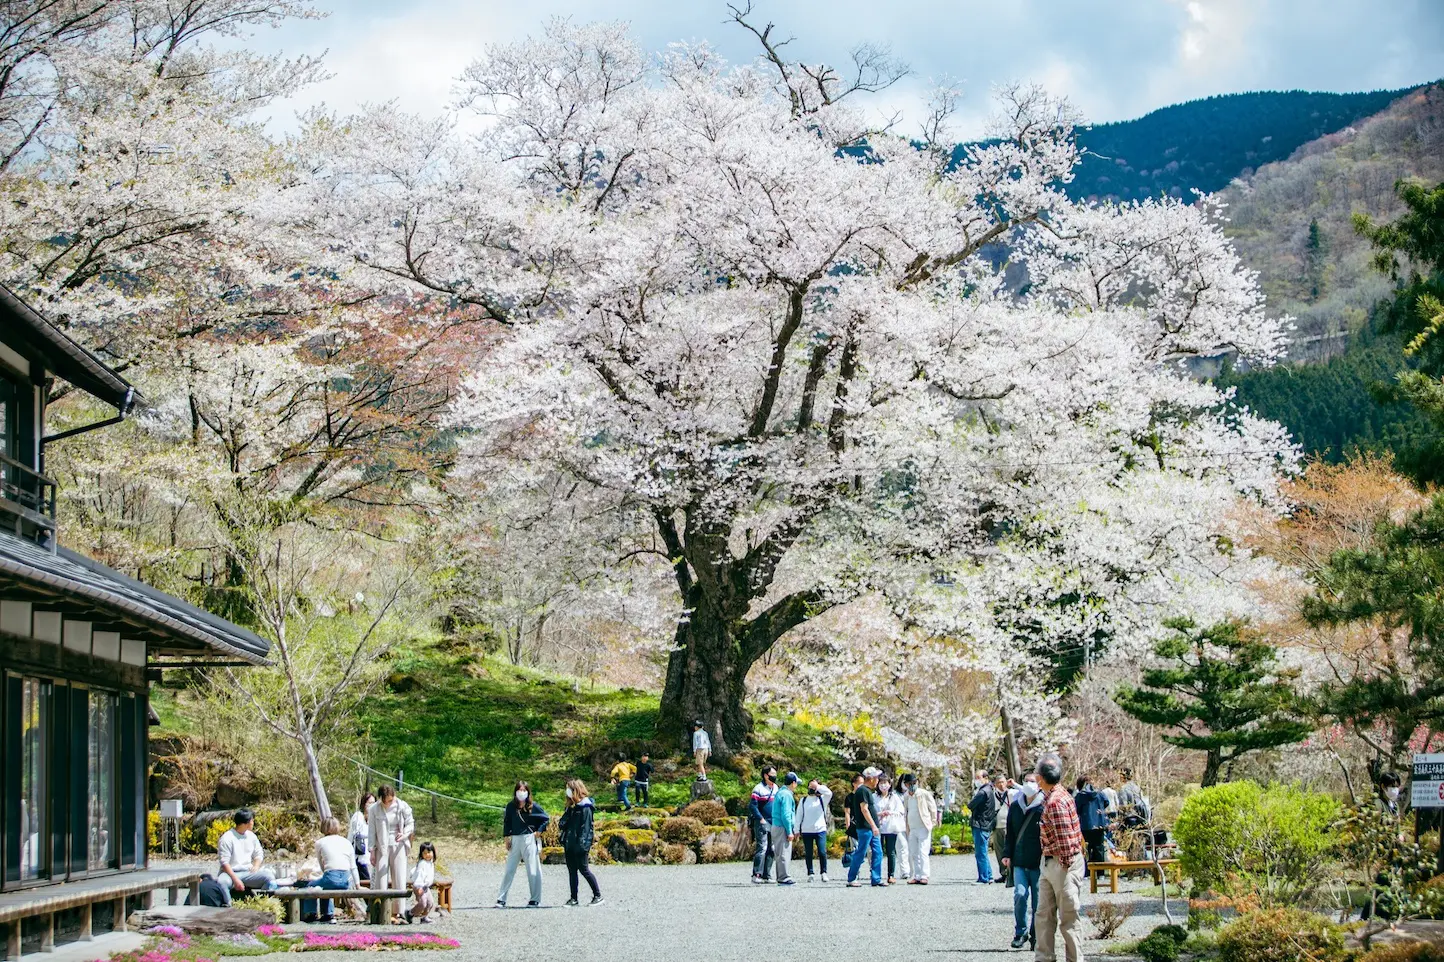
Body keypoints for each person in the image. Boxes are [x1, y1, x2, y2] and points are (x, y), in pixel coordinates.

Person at [1034, 753, 1085, 962]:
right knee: (1043, 915)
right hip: (1051, 862)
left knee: (1068, 918)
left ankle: (1074, 959)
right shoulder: (1057, 794)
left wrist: (1063, 867)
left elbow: (1065, 842)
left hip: (1063, 863)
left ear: (1040, 778)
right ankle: (1044, 957)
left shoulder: (1055, 802)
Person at [1003, 773, 1045, 950]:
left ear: (1039, 784)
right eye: (1026, 781)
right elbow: (1010, 833)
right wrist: (1007, 854)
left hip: (1038, 862)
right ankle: (1020, 932)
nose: (1029, 784)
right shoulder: (1015, 806)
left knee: (1038, 901)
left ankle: (1036, 935)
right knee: (1020, 895)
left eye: (1032, 781)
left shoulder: (1044, 806)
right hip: (1019, 860)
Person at [496, 780, 548, 908]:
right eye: (520, 790)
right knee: (509, 870)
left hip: (529, 838)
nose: (522, 793)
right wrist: (506, 838)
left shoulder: (533, 806)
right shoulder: (510, 806)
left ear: (528, 792)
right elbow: (507, 822)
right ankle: (501, 898)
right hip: (515, 838)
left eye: (524, 790)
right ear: (515, 791)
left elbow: (545, 819)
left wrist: (539, 832)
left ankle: (535, 899)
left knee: (533, 869)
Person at [368, 785, 415, 924]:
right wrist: (371, 850)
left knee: (399, 877)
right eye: (386, 800)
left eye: (391, 799)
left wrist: (405, 833)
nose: (389, 802)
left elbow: (410, 823)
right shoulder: (374, 809)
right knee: (380, 879)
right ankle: (380, 909)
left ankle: (398, 912)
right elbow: (371, 831)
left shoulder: (402, 805)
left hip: (398, 843)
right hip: (381, 845)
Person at [298, 816, 358, 923]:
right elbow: (353, 866)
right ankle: (328, 914)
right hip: (346, 881)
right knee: (324, 886)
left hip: (331, 877)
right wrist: (357, 885)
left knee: (310, 886)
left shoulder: (320, 842)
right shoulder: (346, 842)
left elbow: (322, 865)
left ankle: (312, 914)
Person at [216, 809, 276, 904]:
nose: (253, 822)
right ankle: (228, 905)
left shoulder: (251, 836)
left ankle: (262, 903)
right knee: (221, 882)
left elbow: (258, 853)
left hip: (247, 872)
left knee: (269, 878)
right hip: (230, 873)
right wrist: (235, 880)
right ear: (246, 823)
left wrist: (256, 866)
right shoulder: (227, 838)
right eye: (252, 820)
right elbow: (224, 862)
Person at [559, 778, 603, 906]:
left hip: (580, 844)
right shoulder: (571, 807)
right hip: (569, 843)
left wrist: (583, 845)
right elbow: (562, 824)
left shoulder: (586, 807)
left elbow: (586, 828)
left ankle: (597, 895)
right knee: (572, 871)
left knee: (584, 870)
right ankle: (574, 898)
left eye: (569, 789)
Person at [846, 767, 885, 888]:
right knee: (861, 852)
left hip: (871, 827)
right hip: (865, 827)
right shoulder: (862, 791)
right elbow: (864, 809)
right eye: (877, 778)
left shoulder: (866, 791)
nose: (878, 781)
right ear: (871, 779)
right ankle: (851, 878)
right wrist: (873, 825)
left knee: (878, 852)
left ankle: (876, 878)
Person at [901, 773, 938, 884]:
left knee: (923, 851)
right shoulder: (906, 796)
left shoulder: (924, 794)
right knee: (914, 852)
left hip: (923, 826)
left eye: (914, 783)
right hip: (912, 827)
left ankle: (924, 875)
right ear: (906, 785)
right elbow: (906, 811)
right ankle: (917, 875)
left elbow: (933, 808)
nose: (912, 785)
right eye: (910, 783)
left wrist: (932, 823)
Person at [798, 777, 833, 882]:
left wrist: (817, 786)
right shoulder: (803, 800)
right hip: (806, 830)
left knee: (822, 851)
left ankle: (824, 872)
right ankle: (810, 873)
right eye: (810, 785)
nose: (811, 788)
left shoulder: (822, 799)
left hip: (820, 829)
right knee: (808, 853)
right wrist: (796, 830)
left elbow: (829, 793)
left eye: (813, 786)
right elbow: (798, 815)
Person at [749, 766, 779, 883]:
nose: (774, 776)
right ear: (766, 775)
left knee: (772, 848)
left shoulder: (776, 788)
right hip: (762, 822)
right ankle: (756, 874)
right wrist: (760, 818)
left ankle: (767, 874)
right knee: (762, 847)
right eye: (773, 774)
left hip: (773, 822)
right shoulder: (758, 788)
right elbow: (753, 806)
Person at [968, 772, 999, 884]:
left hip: (980, 824)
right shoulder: (990, 789)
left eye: (978, 777)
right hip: (986, 824)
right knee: (984, 852)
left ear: (985, 778)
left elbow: (970, 805)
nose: (976, 780)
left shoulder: (982, 792)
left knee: (980, 853)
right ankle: (989, 875)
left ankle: (983, 877)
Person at [876, 777, 906, 884]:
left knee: (891, 851)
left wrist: (890, 812)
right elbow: (870, 811)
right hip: (878, 827)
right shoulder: (874, 797)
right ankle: (876, 874)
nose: (883, 785)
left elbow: (901, 811)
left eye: (885, 783)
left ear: (890, 784)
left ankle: (891, 875)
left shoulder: (894, 797)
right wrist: (879, 814)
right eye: (881, 783)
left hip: (891, 827)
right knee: (877, 852)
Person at [1074, 776, 1109, 867]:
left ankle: (1087, 871)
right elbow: (1106, 802)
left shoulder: (1080, 795)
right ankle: (1100, 871)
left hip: (1085, 824)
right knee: (1099, 847)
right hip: (1099, 823)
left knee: (1086, 848)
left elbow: (1076, 809)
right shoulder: (1100, 793)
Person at [771, 772, 798, 885]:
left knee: (779, 852)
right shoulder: (787, 795)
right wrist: (789, 831)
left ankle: (781, 875)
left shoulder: (780, 792)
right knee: (784, 852)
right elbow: (786, 814)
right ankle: (784, 877)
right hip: (782, 826)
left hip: (776, 825)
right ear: (793, 783)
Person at [407, 842, 438, 924]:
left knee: (430, 903)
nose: (427, 855)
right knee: (423, 903)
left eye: (429, 852)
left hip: (425, 887)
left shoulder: (431, 863)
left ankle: (424, 917)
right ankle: (410, 913)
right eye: (424, 853)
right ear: (421, 854)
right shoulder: (422, 863)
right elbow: (419, 876)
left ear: (433, 852)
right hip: (419, 886)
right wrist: (419, 887)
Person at [350, 792, 375, 883]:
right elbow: (358, 833)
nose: (372, 805)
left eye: (373, 803)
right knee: (365, 881)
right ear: (364, 804)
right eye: (369, 803)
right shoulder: (358, 816)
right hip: (359, 855)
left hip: (368, 855)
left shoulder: (372, 818)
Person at [993, 775, 1012, 885]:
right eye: (999, 782)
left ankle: (1011, 873)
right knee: (999, 851)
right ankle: (1003, 873)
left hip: (1008, 825)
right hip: (996, 826)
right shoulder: (993, 794)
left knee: (1008, 851)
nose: (1001, 784)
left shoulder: (1011, 793)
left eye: (1003, 782)